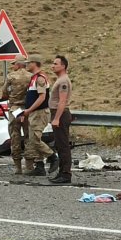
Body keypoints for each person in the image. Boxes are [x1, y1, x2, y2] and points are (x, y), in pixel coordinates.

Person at [19, 54, 58, 176]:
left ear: (34, 63)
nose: (26, 65)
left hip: (39, 113)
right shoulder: (34, 78)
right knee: (35, 138)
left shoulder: (40, 78)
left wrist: (29, 110)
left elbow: (42, 97)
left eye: (28, 63)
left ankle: (52, 156)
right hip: (34, 113)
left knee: (34, 139)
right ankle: (39, 165)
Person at [1, 54, 31, 174]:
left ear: (18, 64)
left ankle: (18, 167)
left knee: (15, 137)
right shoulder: (31, 76)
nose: (13, 66)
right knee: (29, 137)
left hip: (14, 109)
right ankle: (29, 165)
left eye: (14, 64)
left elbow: (4, 92)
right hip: (28, 110)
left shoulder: (11, 77)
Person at [48, 55, 73, 184]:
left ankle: (65, 174)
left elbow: (62, 101)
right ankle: (61, 172)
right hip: (58, 114)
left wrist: (57, 118)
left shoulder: (63, 81)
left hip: (61, 115)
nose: (53, 65)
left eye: (55, 63)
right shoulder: (60, 79)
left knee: (63, 145)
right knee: (59, 144)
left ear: (63, 66)